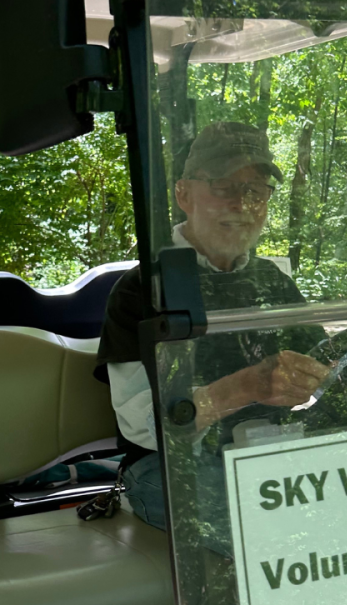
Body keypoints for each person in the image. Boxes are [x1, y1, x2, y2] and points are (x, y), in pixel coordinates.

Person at [96, 121, 330, 534]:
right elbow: (142, 427)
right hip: (169, 470)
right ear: (183, 194)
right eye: (224, 186)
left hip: (264, 461)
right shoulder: (141, 290)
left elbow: (331, 369)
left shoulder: (272, 282)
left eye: (256, 191)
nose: (242, 204)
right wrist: (245, 387)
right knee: (276, 532)